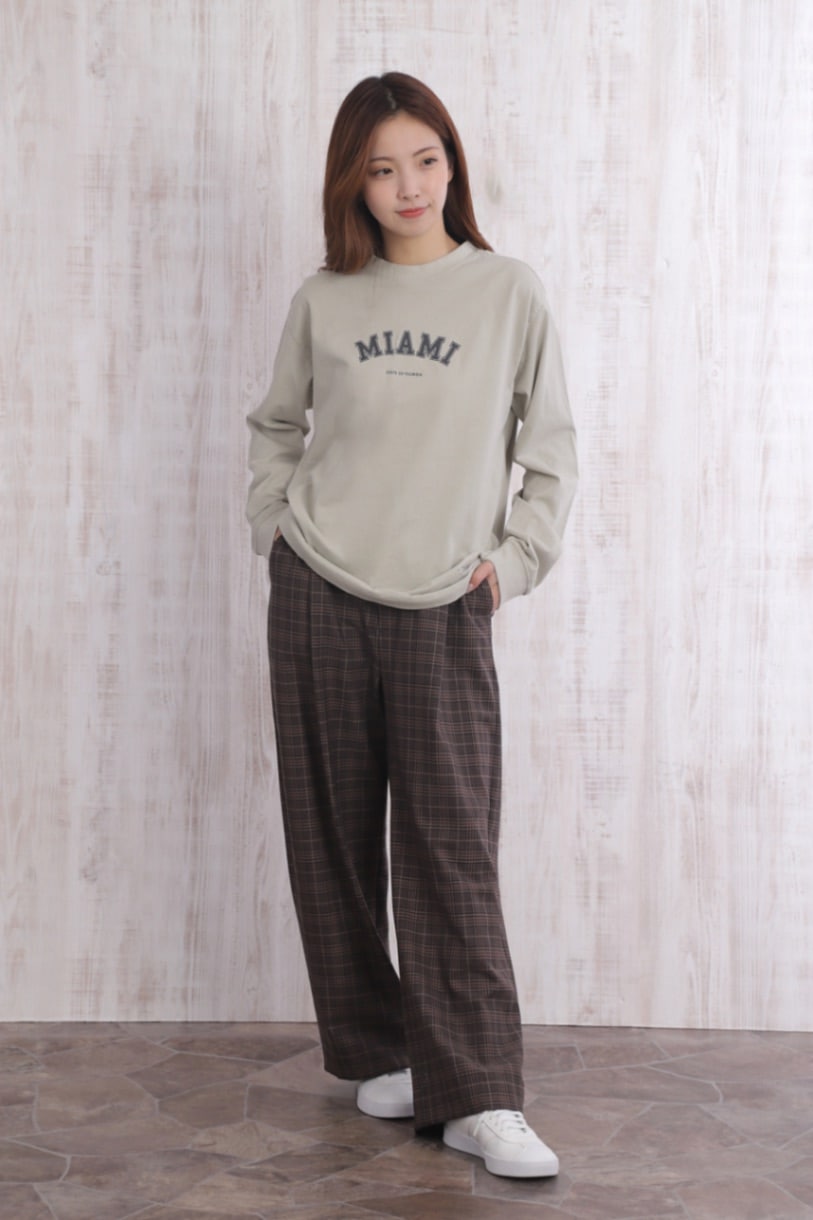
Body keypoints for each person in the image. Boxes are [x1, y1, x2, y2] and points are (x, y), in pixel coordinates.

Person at [246, 71, 577, 1179]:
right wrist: (273, 526)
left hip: (444, 598)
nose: (407, 186)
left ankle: (480, 1092)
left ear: (452, 163)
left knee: (450, 850)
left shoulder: (507, 291)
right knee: (332, 840)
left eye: (424, 160)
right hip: (319, 585)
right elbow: (277, 425)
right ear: (353, 181)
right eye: (381, 168)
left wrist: (511, 564)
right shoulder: (325, 299)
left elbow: (552, 453)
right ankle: (380, 1052)